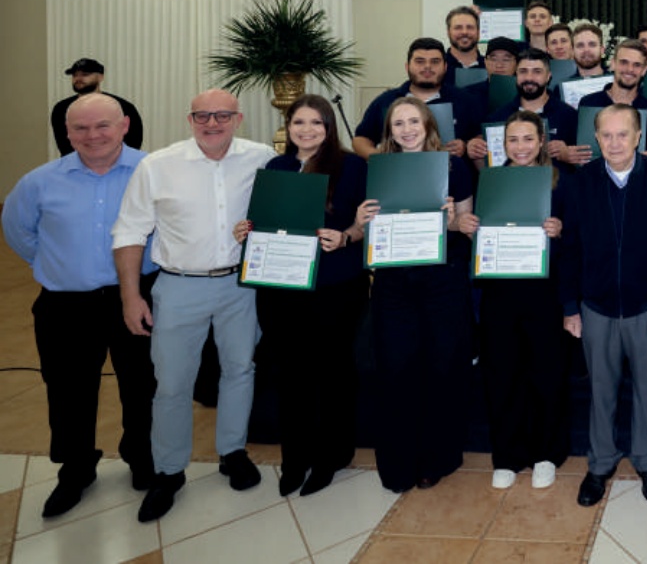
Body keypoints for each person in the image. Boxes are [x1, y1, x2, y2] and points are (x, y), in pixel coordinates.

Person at [113, 89, 276, 522]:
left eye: (223, 115)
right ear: (189, 120)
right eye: (202, 115)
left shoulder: (260, 158)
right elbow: (129, 232)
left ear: (238, 119)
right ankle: (169, 470)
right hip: (179, 286)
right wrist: (131, 296)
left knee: (240, 370)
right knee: (171, 383)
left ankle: (232, 452)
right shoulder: (158, 166)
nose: (212, 122)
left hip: (241, 286)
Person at [4, 94, 158, 517]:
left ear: (124, 125)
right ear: (67, 132)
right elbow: (19, 232)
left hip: (138, 297)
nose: (92, 136)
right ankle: (75, 469)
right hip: (64, 306)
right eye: (81, 128)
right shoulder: (39, 181)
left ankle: (142, 459)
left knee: (142, 384)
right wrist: (58, 265)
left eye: (102, 126)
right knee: (68, 390)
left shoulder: (154, 172)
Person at [231, 94, 367, 497]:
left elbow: (364, 224)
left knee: (333, 373)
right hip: (282, 289)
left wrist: (345, 236)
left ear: (329, 128)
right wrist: (247, 231)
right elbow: (270, 223)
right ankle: (295, 459)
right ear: (288, 128)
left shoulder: (352, 166)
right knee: (291, 374)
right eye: (299, 123)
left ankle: (331, 455)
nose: (306, 131)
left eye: (316, 124)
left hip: (335, 287)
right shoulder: (277, 166)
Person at [561, 104, 647, 508]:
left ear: (638, 137)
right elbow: (569, 251)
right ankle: (599, 464)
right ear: (596, 139)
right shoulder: (579, 183)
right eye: (607, 135)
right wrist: (570, 307)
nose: (615, 142)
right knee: (600, 390)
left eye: (623, 134)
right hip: (596, 307)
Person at [355, 97, 475, 493]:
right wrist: (362, 221)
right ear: (389, 131)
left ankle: (437, 457)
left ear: (428, 125)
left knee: (441, 367)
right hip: (394, 285)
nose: (407, 129)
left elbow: (466, 225)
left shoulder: (453, 167)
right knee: (397, 368)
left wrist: (451, 220)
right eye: (398, 124)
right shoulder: (377, 169)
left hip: (443, 281)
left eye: (413, 121)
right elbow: (361, 229)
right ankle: (398, 460)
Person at [456, 111, 571, 491]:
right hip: (500, 293)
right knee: (502, 374)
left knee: (546, 374)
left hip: (545, 293)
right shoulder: (489, 181)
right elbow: (476, 233)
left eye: (527, 139)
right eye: (512, 140)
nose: (520, 147)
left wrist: (560, 231)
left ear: (541, 141)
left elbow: (580, 241)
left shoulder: (561, 183)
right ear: (502, 144)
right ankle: (507, 455)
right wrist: (470, 227)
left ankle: (545, 454)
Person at [352, 37, 482, 160]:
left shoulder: (466, 100)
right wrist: (380, 158)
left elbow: (480, 137)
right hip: (398, 174)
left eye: (435, 62)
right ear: (407, 66)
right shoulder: (385, 101)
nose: (427, 67)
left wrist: (466, 145)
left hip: (451, 175)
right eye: (420, 61)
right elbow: (361, 139)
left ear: (445, 67)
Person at [479, 49, 583, 167]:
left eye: (537, 71)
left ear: (548, 76)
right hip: (512, 184)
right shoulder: (497, 118)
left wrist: (568, 155)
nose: (529, 77)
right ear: (516, 75)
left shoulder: (569, 116)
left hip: (558, 184)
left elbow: (584, 165)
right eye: (523, 71)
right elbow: (490, 170)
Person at [579, 39, 647, 158]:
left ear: (644, 70)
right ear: (613, 64)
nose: (630, 69)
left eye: (637, 65)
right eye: (624, 62)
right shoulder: (588, 104)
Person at [51, 58, 144, 155]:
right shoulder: (61, 109)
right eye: (75, 75)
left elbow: (134, 140)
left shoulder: (122, 106)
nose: (78, 79)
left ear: (100, 77)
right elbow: (64, 144)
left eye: (85, 75)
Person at [442, 6, 484, 86]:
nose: (464, 32)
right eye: (458, 28)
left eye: (470, 27)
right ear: (448, 32)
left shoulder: (491, 67)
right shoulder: (438, 67)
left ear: (478, 32)